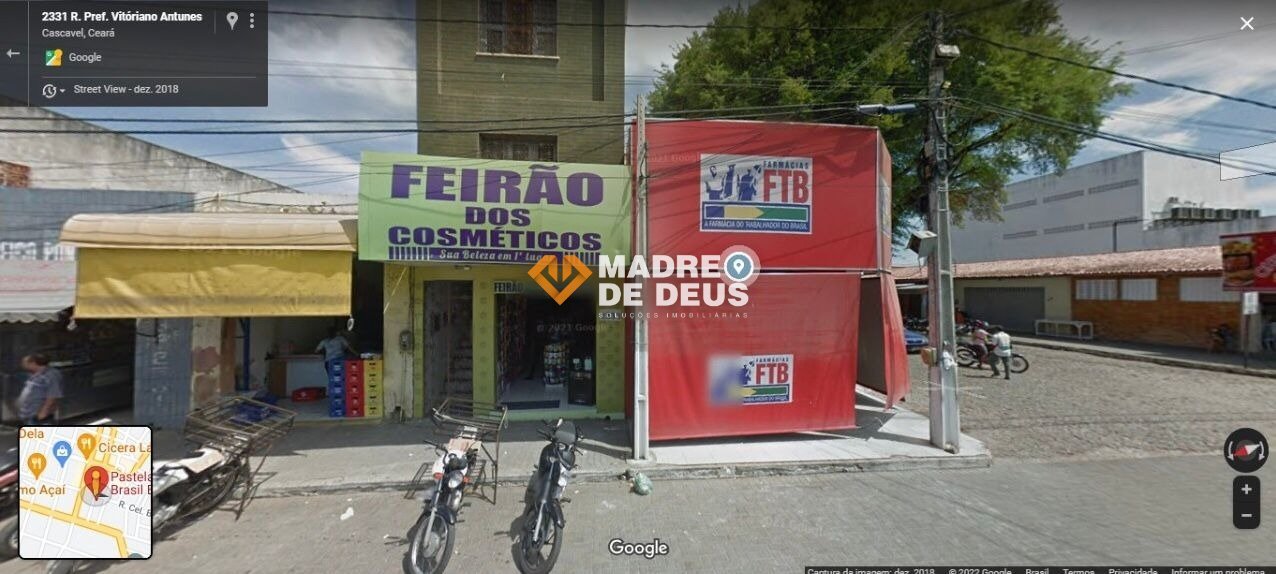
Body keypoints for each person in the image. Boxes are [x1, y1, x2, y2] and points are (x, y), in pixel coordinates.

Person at [18, 353, 63, 426]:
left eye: (25, 363)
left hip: (38, 415)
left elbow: (53, 395)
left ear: (33, 363)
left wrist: (43, 412)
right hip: (29, 413)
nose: (23, 365)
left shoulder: (51, 375)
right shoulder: (35, 374)